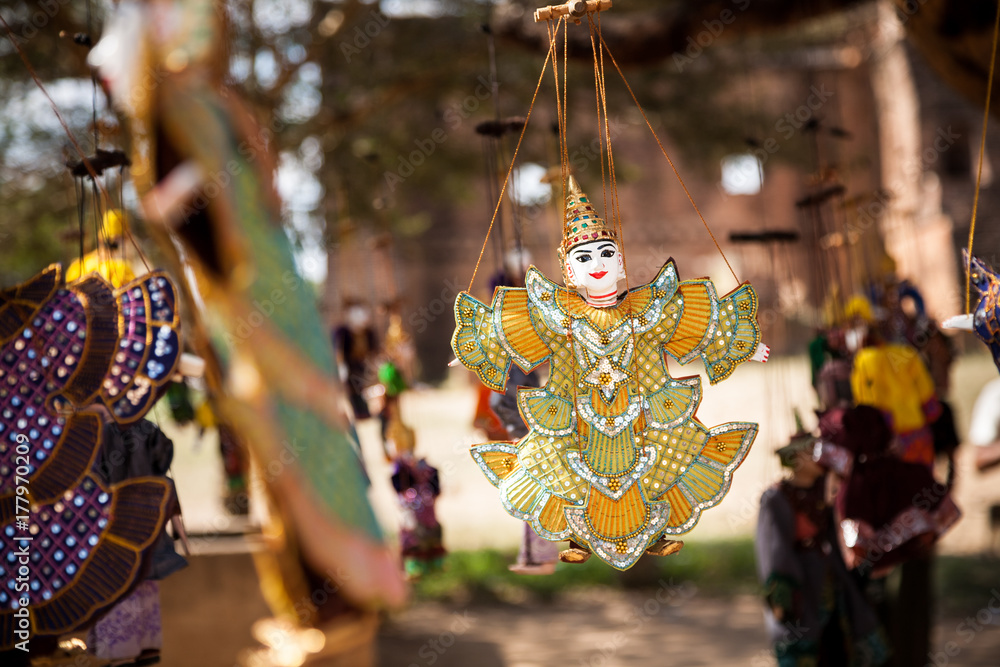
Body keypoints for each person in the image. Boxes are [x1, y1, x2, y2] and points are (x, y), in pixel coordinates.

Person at [451, 176, 769, 570]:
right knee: (571, 468)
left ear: (620, 262)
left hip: (642, 413)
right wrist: (476, 347)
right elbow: (511, 328)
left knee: (654, 464)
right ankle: (577, 535)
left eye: (606, 254)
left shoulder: (647, 309)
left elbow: (693, 320)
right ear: (569, 271)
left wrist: (743, 343)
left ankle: (655, 532)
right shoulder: (558, 315)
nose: (598, 264)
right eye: (584, 258)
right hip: (578, 417)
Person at [756, 432, 888, 667]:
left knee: (838, 647)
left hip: (834, 583)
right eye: (810, 452)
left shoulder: (829, 492)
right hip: (803, 589)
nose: (819, 457)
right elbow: (775, 553)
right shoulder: (776, 498)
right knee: (807, 650)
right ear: (795, 458)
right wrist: (785, 596)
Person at [387, 420, 445, 579]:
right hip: (420, 508)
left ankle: (423, 566)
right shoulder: (412, 467)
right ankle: (421, 566)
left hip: (417, 508)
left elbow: (398, 485)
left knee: (417, 535)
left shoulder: (408, 467)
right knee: (416, 535)